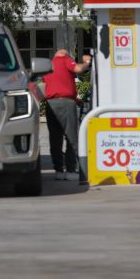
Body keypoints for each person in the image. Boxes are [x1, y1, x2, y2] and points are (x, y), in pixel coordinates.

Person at [43, 49, 91, 181]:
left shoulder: (49, 65)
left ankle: (58, 170)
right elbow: (78, 69)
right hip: (66, 103)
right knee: (71, 137)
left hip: (50, 104)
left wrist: (77, 100)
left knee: (55, 138)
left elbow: (52, 84)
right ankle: (71, 169)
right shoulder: (65, 60)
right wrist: (87, 62)